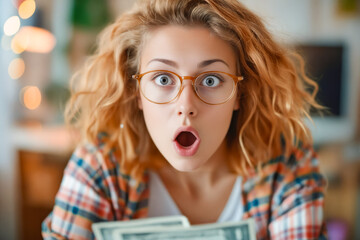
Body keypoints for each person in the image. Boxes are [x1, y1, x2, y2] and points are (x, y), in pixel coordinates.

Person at [42, 0, 327, 239]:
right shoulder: (99, 168)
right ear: (136, 92)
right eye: (163, 78)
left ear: (240, 93)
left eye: (212, 80)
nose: (186, 106)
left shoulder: (285, 164)